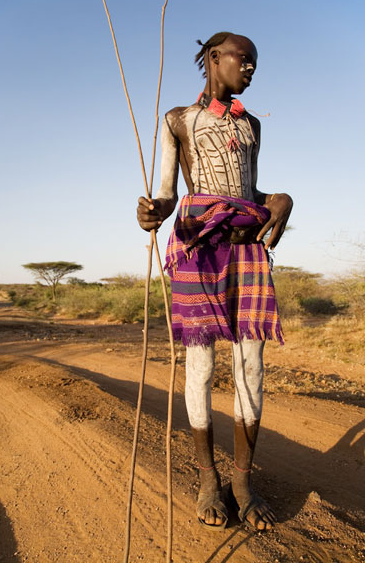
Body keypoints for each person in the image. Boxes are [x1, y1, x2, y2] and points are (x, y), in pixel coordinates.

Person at [137, 32, 293, 531]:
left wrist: (281, 200)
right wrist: (151, 212)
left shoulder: (251, 125)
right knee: (201, 365)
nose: (249, 68)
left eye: (254, 62)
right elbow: (166, 192)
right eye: (241, 59)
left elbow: (251, 189)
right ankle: (208, 480)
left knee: (251, 364)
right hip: (198, 245)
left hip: (245, 247)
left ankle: (243, 482)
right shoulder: (178, 120)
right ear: (211, 59)